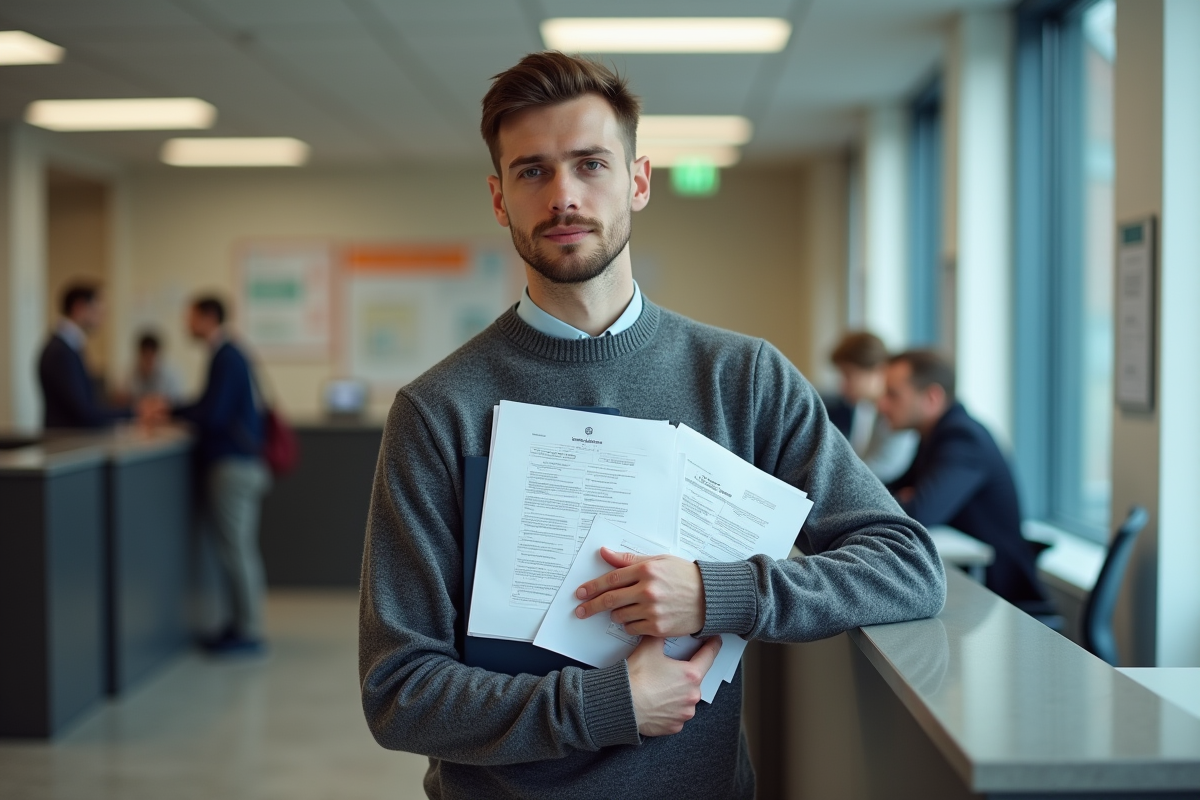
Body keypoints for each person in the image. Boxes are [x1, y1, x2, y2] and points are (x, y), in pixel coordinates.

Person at [358, 52, 945, 799]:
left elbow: (906, 566)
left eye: (591, 164)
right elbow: (398, 692)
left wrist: (719, 593)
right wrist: (606, 706)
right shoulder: (439, 411)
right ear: (499, 198)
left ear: (637, 181)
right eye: (532, 171)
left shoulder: (744, 379)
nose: (564, 195)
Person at [876, 349, 1047, 608]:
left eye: (893, 394)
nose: (882, 405)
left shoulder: (961, 437)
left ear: (932, 397)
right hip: (963, 579)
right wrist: (907, 494)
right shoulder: (935, 434)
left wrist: (912, 497)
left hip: (995, 590)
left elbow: (921, 512)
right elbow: (890, 490)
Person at [166, 295, 270, 655]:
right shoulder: (230, 353)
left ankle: (250, 632)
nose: (186, 325)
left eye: (190, 317)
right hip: (241, 464)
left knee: (236, 550)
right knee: (235, 549)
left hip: (233, 466)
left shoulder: (227, 355)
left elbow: (214, 413)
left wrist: (170, 410)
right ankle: (239, 625)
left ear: (208, 317)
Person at [823, 331, 918, 483]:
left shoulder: (899, 415)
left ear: (878, 370)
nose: (842, 387)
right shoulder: (863, 408)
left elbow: (880, 470)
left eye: (849, 375)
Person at [38, 281, 131, 429]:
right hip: (67, 443)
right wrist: (133, 413)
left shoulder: (70, 347)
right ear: (79, 307)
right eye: (99, 310)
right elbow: (82, 411)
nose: (103, 317)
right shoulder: (60, 351)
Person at [124, 330, 185, 404]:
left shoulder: (172, 375)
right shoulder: (130, 374)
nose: (148, 362)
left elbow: (178, 401)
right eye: (145, 357)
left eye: (151, 358)